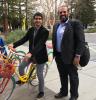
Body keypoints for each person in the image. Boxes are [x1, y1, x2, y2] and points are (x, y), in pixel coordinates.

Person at [8, 12, 49, 99]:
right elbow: (23, 39)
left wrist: (31, 53)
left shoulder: (45, 31)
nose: (37, 20)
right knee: (21, 66)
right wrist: (13, 44)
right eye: (36, 18)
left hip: (40, 57)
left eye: (39, 18)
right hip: (31, 55)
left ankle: (41, 91)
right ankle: (23, 80)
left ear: (42, 20)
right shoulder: (31, 30)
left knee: (39, 74)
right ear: (34, 20)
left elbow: (40, 45)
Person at [52, 5, 85, 100]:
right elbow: (55, 40)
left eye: (64, 12)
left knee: (73, 77)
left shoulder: (75, 24)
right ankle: (63, 91)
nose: (62, 14)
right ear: (58, 14)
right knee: (62, 76)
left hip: (71, 57)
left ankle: (74, 96)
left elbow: (81, 41)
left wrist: (77, 56)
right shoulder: (56, 25)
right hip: (59, 56)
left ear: (68, 12)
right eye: (60, 12)